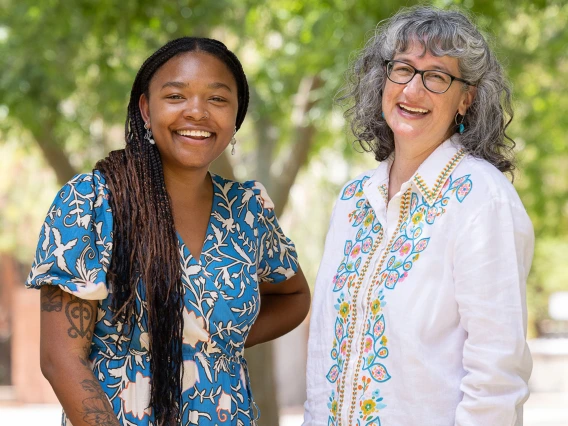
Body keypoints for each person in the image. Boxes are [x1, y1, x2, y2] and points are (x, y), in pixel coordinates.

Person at [26, 37, 310, 426]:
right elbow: (60, 360)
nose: (197, 112)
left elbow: (293, 296)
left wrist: (214, 342)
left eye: (217, 99)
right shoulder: (91, 203)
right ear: (146, 108)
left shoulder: (247, 210)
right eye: (176, 96)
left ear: (236, 114)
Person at [304, 6, 533, 426]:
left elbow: (497, 377)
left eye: (437, 76)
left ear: (467, 97)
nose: (412, 90)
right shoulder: (353, 200)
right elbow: (323, 353)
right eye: (403, 69)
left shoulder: (482, 198)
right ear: (382, 78)